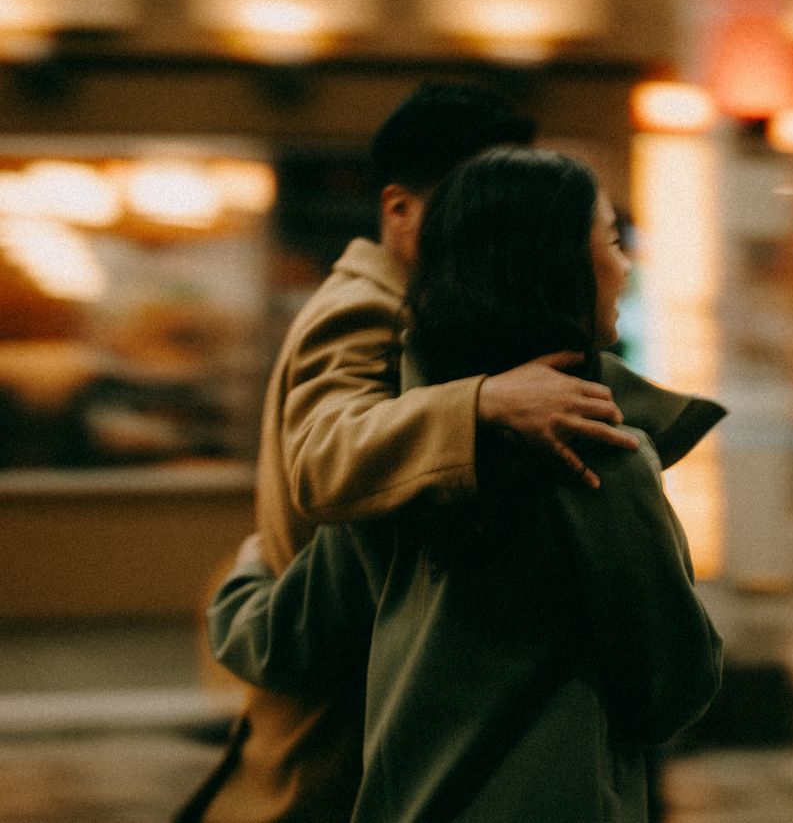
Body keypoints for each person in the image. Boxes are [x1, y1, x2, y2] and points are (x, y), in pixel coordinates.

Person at [206, 146, 725, 822]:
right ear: (554, 266)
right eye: (611, 241)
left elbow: (289, 639)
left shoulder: (408, 457)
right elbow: (673, 686)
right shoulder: (604, 459)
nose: (626, 267)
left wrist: (246, 573)